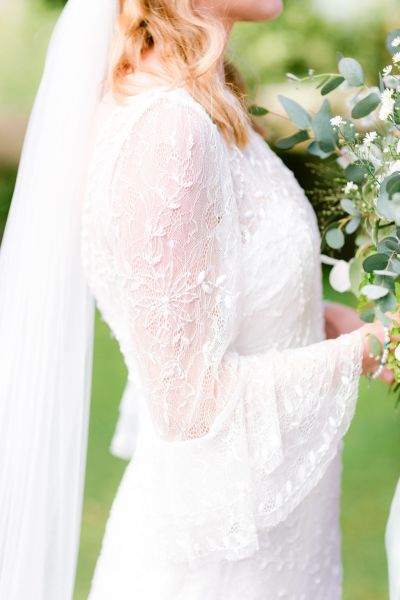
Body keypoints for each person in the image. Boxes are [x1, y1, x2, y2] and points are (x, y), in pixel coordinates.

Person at [0, 1, 395, 599]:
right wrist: (366, 350)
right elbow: (189, 405)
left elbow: (212, 302)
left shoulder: (205, 105)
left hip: (277, 552)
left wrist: (322, 323)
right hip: (212, 571)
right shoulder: (167, 128)